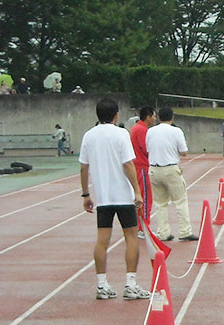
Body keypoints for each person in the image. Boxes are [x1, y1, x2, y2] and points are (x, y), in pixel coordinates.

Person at [78, 97, 149, 300]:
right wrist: (137, 191)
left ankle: (101, 284)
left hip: (103, 197)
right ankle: (131, 283)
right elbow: (128, 164)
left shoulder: (89, 136)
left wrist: (86, 194)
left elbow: (83, 167)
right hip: (124, 196)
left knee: (102, 240)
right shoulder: (121, 134)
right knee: (131, 237)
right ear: (116, 115)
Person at [146, 106, 196, 242]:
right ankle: (185, 231)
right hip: (170, 168)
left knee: (160, 203)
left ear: (159, 117)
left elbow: (147, 148)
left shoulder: (150, 132)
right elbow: (183, 152)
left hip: (154, 169)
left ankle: (163, 232)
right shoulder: (176, 131)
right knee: (180, 201)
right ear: (172, 118)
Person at [129, 106, 156, 239]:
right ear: (148, 117)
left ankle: (140, 225)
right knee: (145, 198)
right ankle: (143, 227)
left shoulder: (136, 128)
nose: (155, 119)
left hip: (137, 166)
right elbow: (146, 149)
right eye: (153, 116)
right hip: (142, 167)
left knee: (140, 197)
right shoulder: (142, 130)